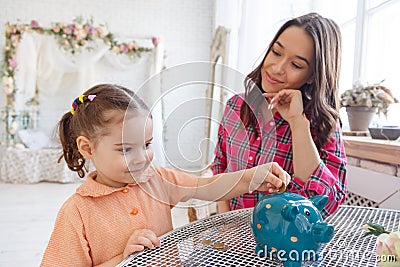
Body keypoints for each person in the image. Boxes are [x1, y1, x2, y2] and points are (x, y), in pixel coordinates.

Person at [40, 84, 291, 267]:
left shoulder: (156, 179)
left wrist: (254, 176)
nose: (141, 158)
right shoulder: (78, 212)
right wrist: (122, 259)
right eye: (126, 149)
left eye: (147, 144)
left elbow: (209, 186)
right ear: (87, 148)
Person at [212, 12, 347, 218]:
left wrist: (297, 122)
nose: (277, 68)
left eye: (296, 65)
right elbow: (220, 168)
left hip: (285, 244)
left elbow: (326, 203)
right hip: (232, 235)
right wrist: (224, 222)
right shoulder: (235, 106)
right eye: (276, 52)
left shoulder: (322, 124)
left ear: (312, 75)